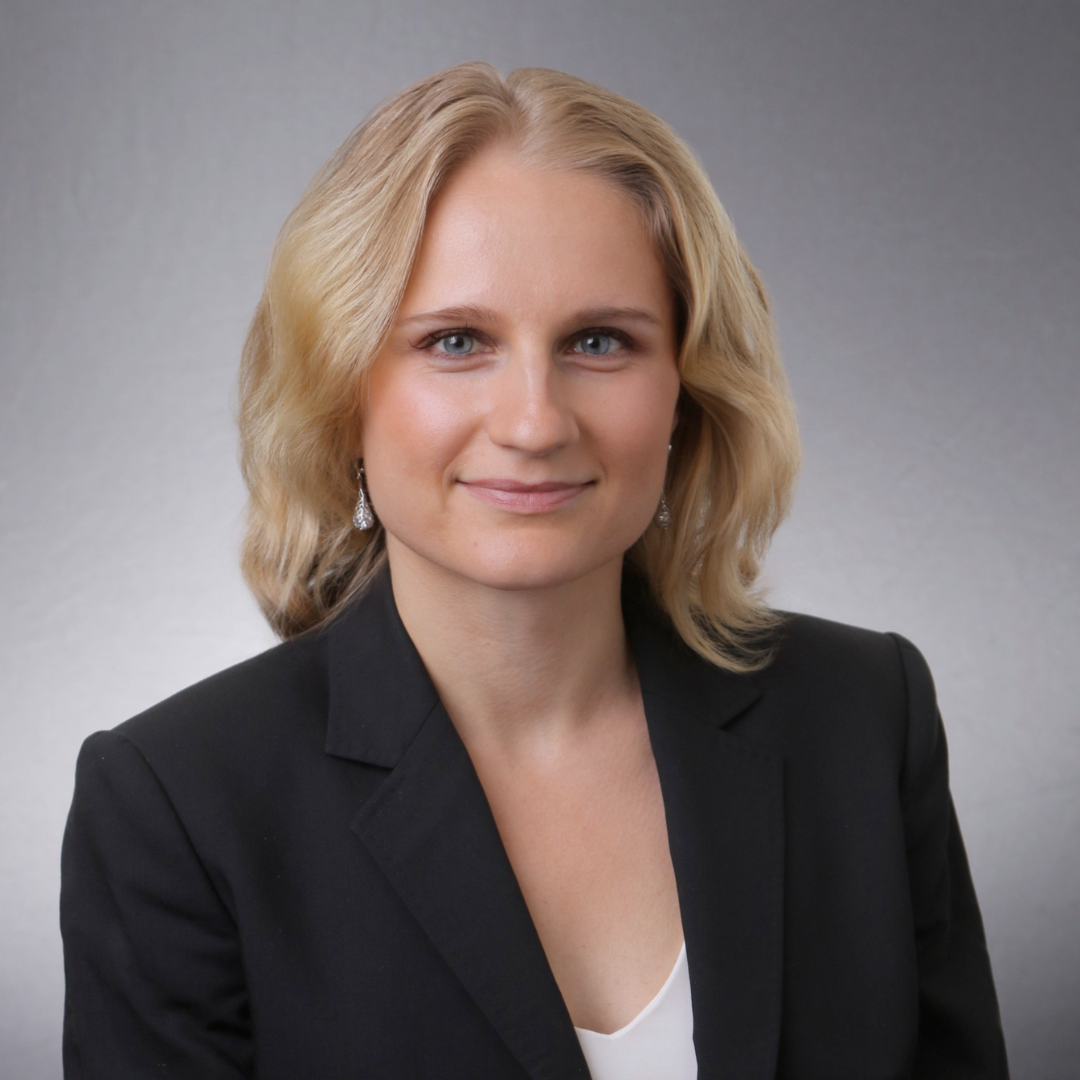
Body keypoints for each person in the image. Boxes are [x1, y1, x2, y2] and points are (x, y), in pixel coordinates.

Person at [59, 62, 1010, 1079]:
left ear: (686, 391)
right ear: (342, 392)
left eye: (599, 341)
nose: (534, 423)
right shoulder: (175, 804)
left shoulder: (863, 717)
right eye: (456, 341)